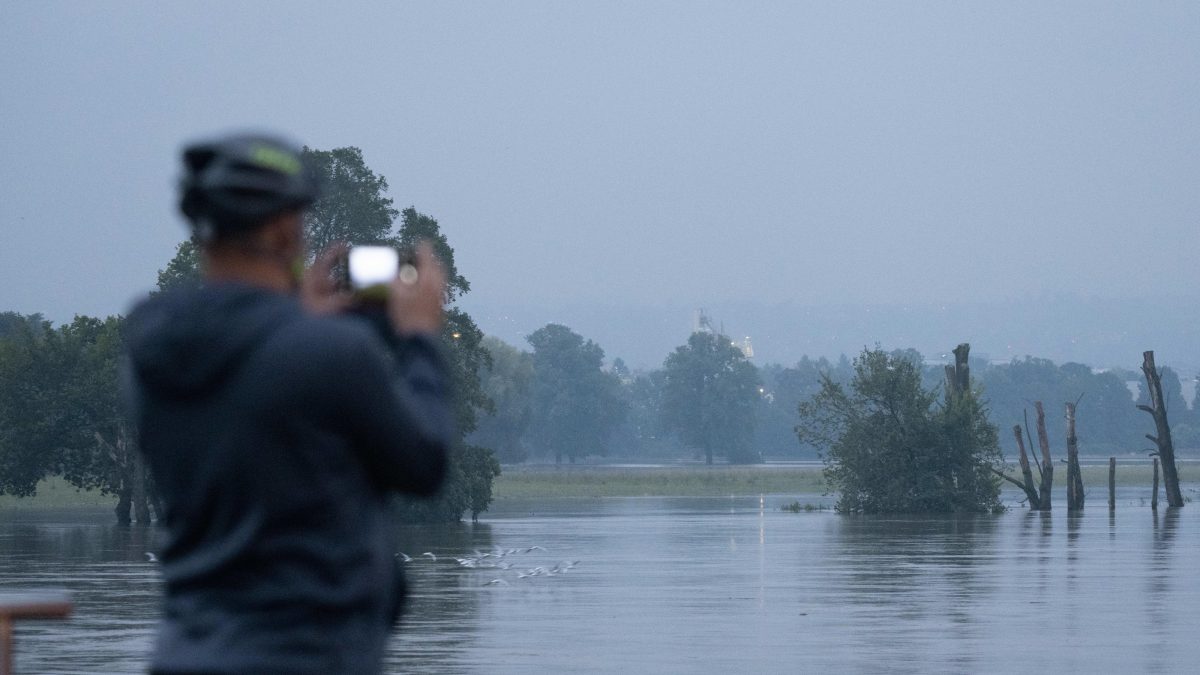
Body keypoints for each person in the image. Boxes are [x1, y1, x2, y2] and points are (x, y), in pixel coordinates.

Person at [124, 132, 454, 674]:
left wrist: (288, 322)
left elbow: (254, 383)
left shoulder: (150, 350)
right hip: (306, 655)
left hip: (185, 651)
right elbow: (424, 462)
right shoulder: (334, 352)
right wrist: (419, 338)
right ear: (282, 229)